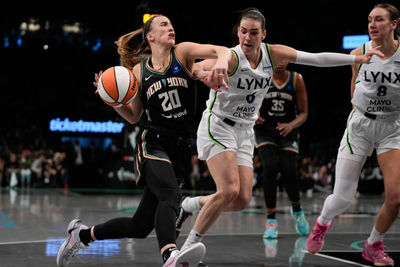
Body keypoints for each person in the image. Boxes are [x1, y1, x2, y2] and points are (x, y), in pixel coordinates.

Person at [179, 7, 383, 260]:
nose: (247, 38)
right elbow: (196, 67)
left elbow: (316, 58)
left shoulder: (273, 54)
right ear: (238, 32)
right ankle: (187, 246)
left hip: (245, 131)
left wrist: (355, 60)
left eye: (253, 32)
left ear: (263, 34)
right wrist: (202, 74)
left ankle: (188, 204)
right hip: (219, 126)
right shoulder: (231, 58)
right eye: (243, 31)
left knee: (241, 200)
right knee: (229, 190)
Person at [56, 15, 232, 267]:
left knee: (139, 227)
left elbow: (222, 50)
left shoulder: (182, 53)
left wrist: (222, 62)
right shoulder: (139, 71)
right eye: (163, 25)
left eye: (171, 24)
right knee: (172, 195)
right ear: (149, 36)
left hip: (180, 147)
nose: (171, 27)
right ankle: (170, 255)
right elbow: (134, 115)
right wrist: (113, 101)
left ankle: (81, 235)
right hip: (153, 142)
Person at [306, 3, 400, 267]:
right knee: (343, 198)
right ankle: (323, 223)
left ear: (394, 24)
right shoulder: (358, 52)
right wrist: (355, 105)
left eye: (379, 20)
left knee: (396, 198)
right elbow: (354, 81)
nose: (372, 24)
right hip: (360, 127)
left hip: (392, 128)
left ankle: (373, 245)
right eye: (370, 19)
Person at [253, 60, 309, 239]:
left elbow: (303, 113)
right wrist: (256, 115)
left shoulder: (296, 79)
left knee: (288, 171)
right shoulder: (262, 76)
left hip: (288, 131)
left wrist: (291, 125)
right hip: (265, 131)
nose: (279, 62)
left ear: (289, 61)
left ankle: (297, 210)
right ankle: (271, 221)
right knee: (270, 167)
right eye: (276, 58)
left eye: (283, 58)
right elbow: (250, 103)